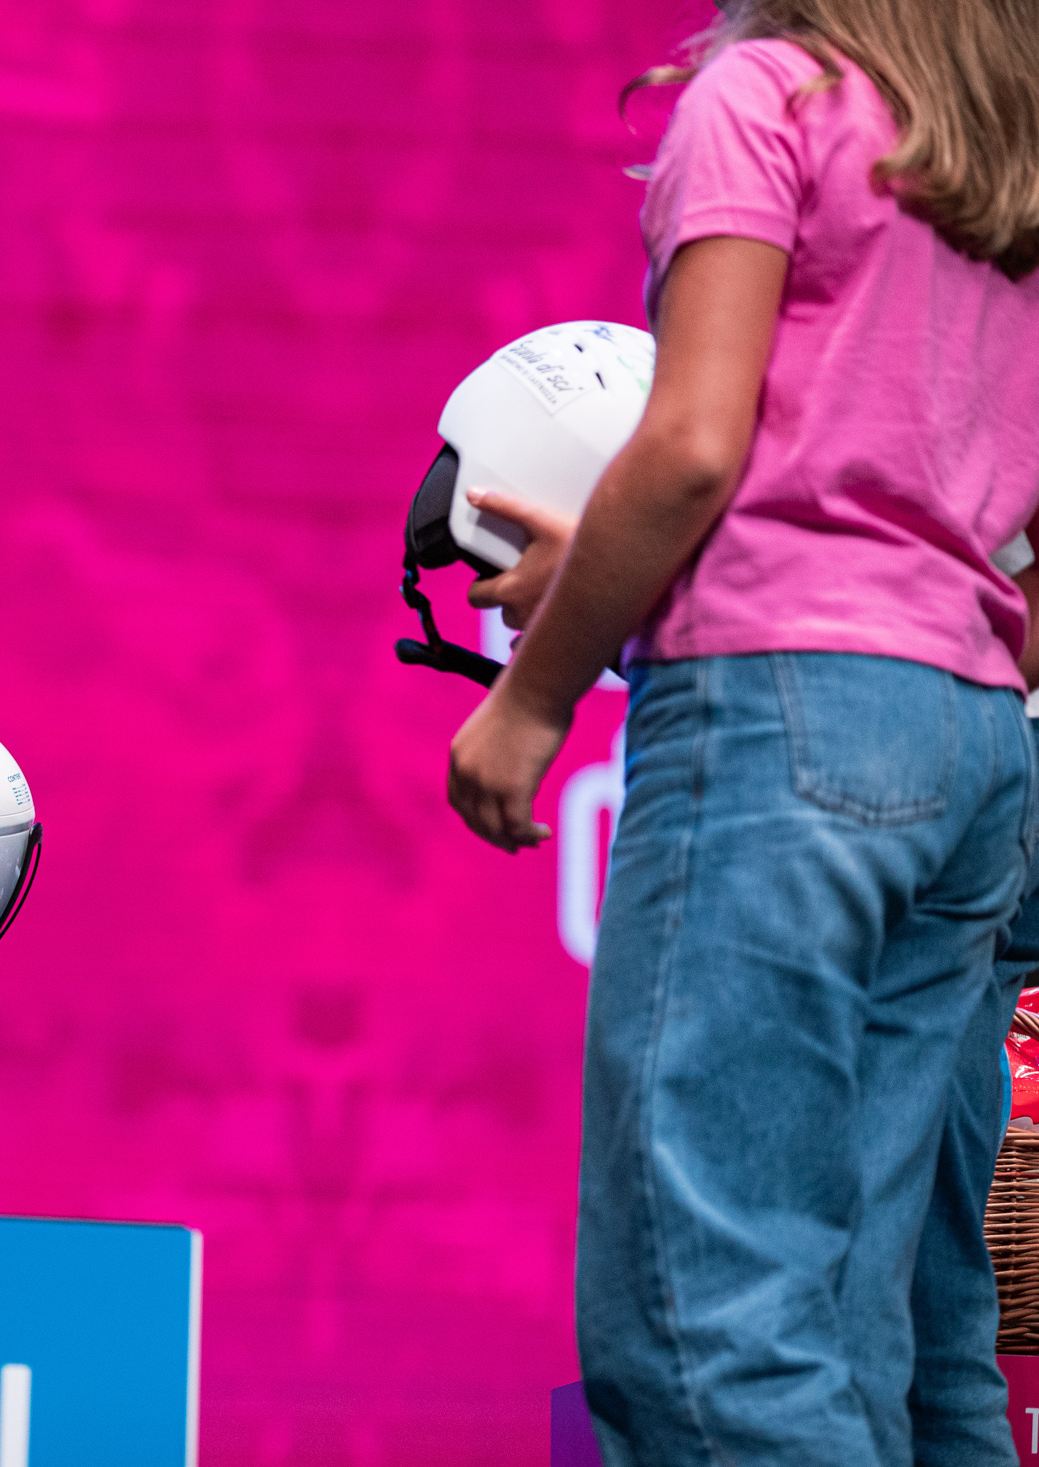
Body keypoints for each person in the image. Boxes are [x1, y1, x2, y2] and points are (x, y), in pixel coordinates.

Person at [443, 2, 1039, 1463]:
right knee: (864, 1316)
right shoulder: (1009, 153)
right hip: (974, 725)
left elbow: (696, 440)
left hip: (785, 712)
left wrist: (529, 695)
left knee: (704, 1327)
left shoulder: (766, 95)